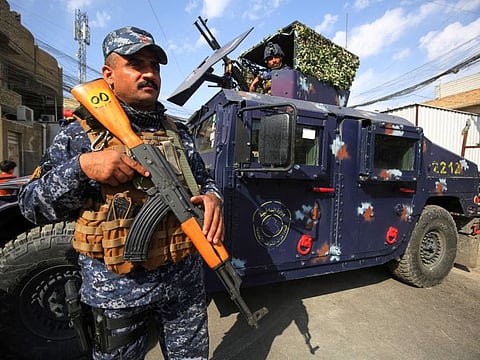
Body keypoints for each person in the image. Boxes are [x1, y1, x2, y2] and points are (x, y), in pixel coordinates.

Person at [18, 26, 224, 360]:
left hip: (183, 283)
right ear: (108, 75)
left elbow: (205, 180)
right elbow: (31, 205)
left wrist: (214, 198)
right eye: (136, 63)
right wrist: (83, 168)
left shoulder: (179, 132)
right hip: (117, 291)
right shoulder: (80, 134)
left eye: (154, 66)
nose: (148, 73)